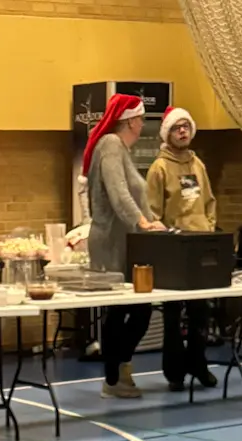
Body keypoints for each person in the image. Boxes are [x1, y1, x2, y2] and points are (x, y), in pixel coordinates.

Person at [84, 94, 166, 400]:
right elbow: (118, 191)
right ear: (130, 121)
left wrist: (151, 220)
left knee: (133, 309)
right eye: (141, 119)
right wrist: (142, 221)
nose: (143, 124)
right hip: (111, 242)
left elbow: (132, 195)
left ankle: (120, 370)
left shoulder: (119, 149)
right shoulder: (111, 145)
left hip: (125, 240)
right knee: (125, 310)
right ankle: (113, 376)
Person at [147, 107, 218, 392]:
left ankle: (199, 364)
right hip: (174, 248)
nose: (183, 132)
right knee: (173, 314)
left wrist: (208, 227)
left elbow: (209, 201)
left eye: (186, 126)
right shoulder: (159, 168)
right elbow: (152, 212)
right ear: (168, 133)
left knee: (201, 311)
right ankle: (174, 371)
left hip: (200, 246)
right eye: (177, 128)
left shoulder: (198, 164)